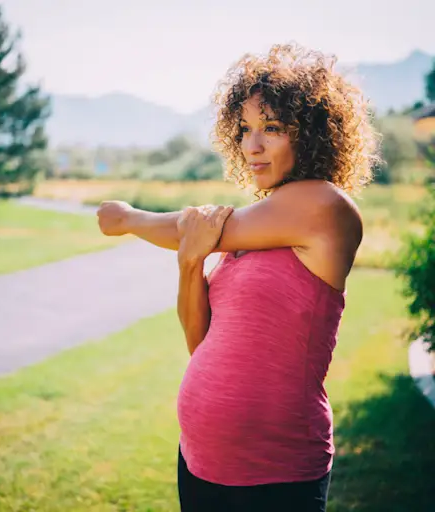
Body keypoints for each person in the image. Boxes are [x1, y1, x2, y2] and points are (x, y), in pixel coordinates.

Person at [96, 43, 380, 511]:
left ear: (313, 134)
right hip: (200, 459)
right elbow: (199, 341)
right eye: (245, 129)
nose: (252, 145)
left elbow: (187, 227)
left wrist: (128, 218)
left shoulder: (326, 207)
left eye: (273, 128)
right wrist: (190, 263)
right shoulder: (253, 229)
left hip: (274, 470)